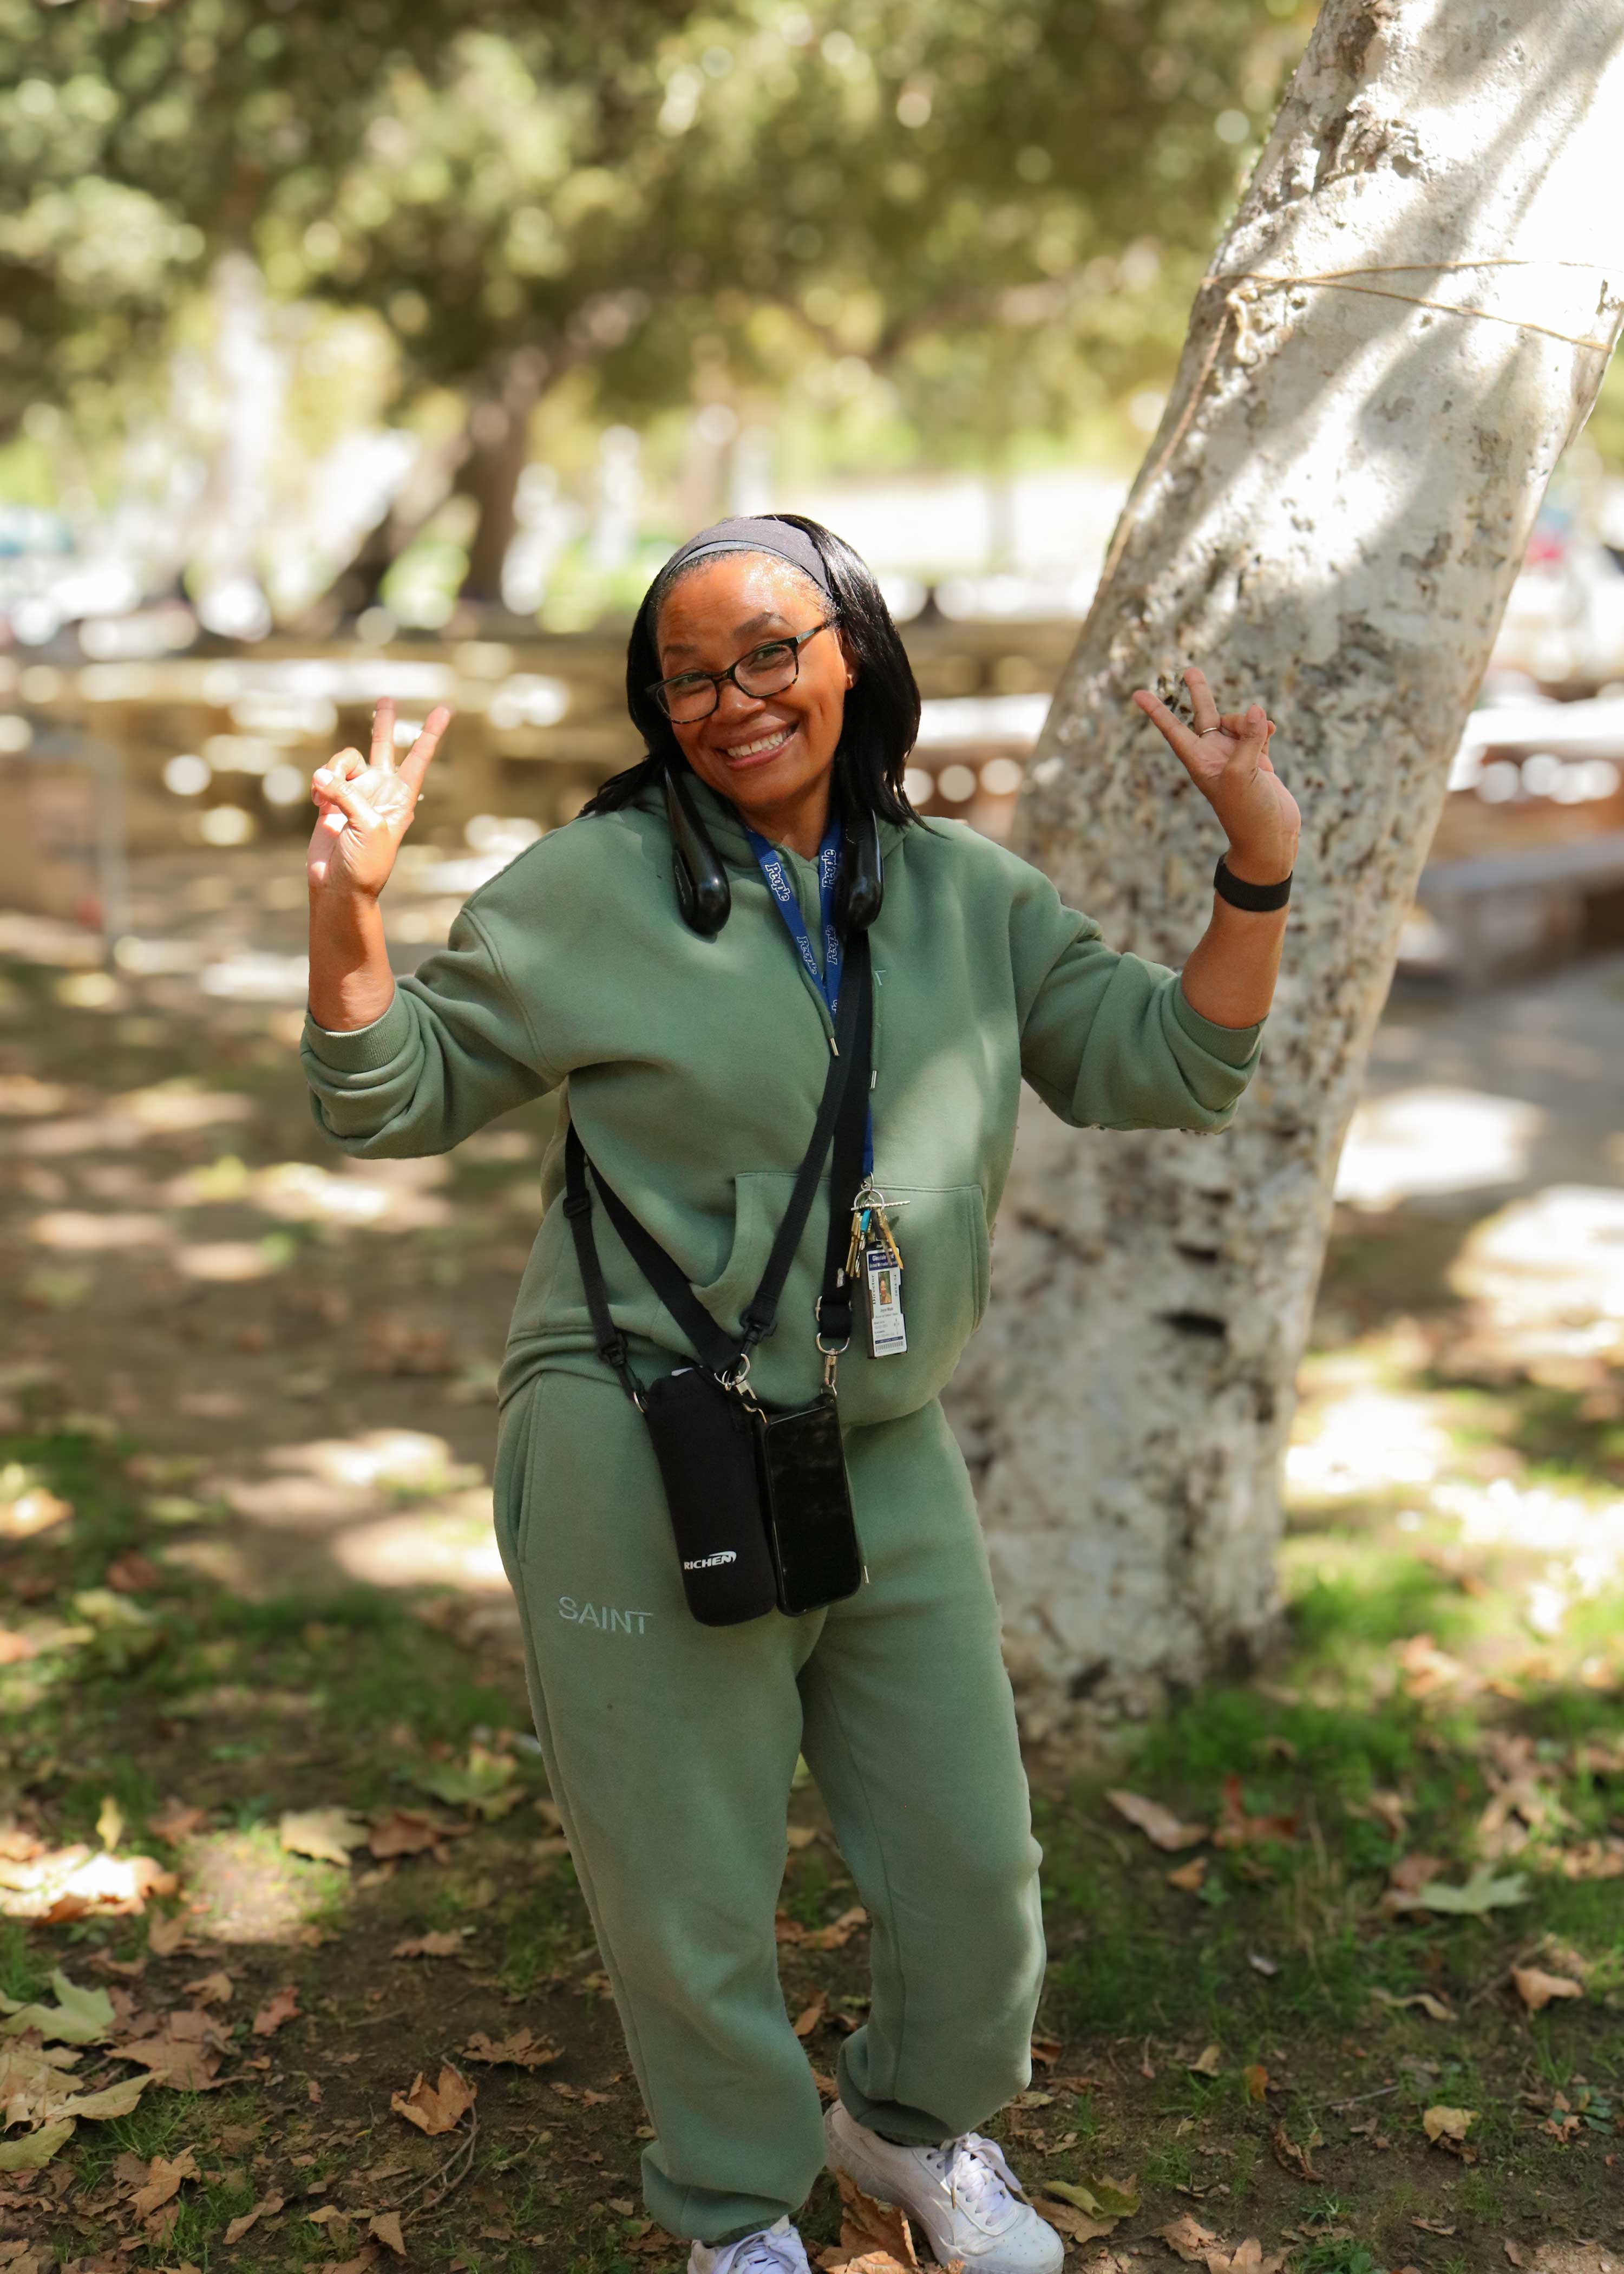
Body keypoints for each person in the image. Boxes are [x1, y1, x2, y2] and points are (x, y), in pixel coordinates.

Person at [300, 513, 1297, 2274]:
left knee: (975, 1870)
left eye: (771, 651)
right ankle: (733, 2208)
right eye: (687, 675)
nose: (734, 699)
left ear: (853, 652)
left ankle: (907, 2128)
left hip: (876, 1433)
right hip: (639, 1425)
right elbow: (388, 1096)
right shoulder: (584, 888)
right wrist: (349, 911)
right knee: (688, 1878)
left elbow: (1174, 1064)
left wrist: (1261, 866)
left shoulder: (968, 896)